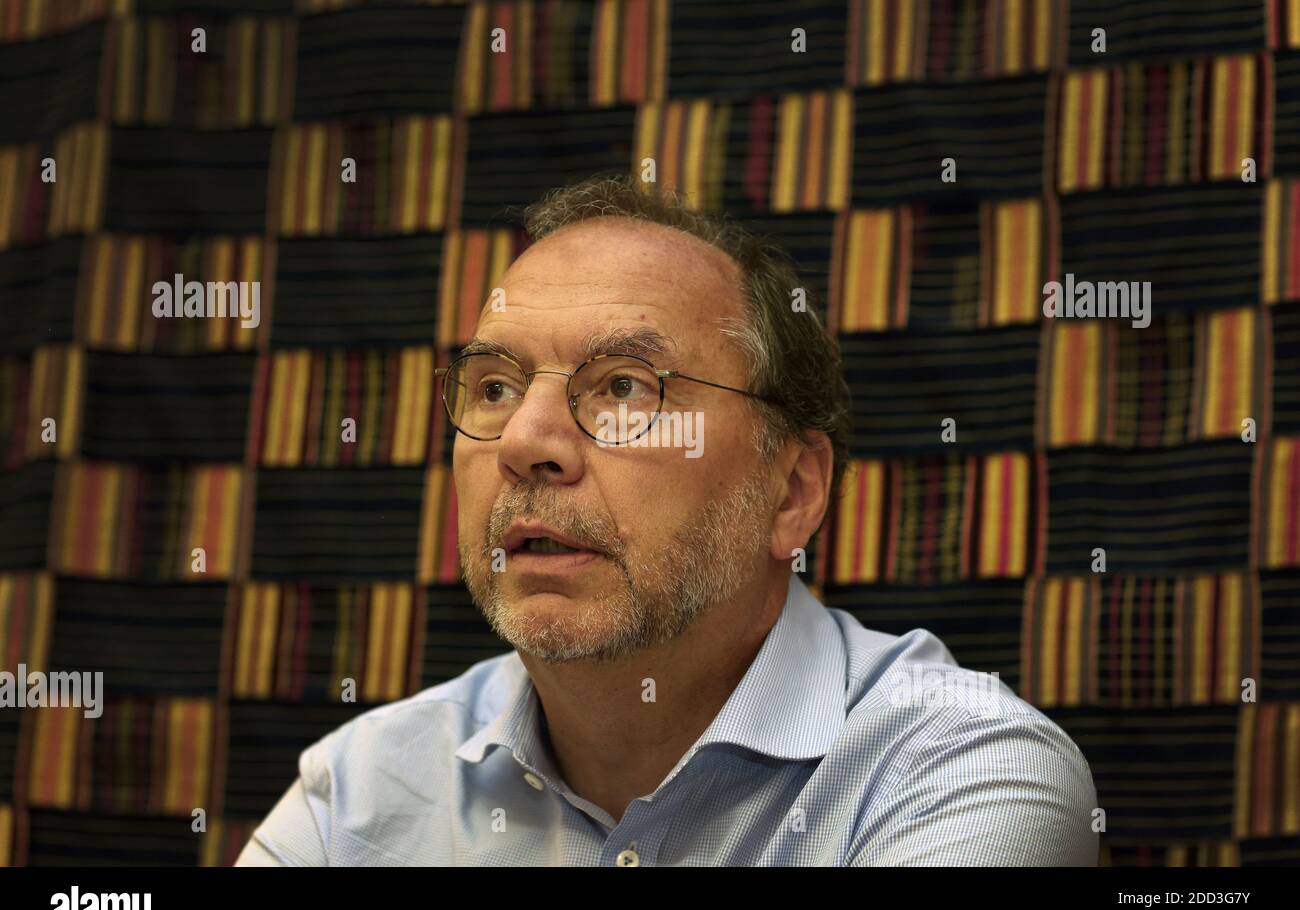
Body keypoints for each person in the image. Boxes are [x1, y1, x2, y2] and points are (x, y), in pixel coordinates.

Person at [237, 174, 1097, 866]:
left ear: (792, 490)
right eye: (494, 388)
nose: (527, 443)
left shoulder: (964, 772)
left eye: (623, 387)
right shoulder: (355, 797)